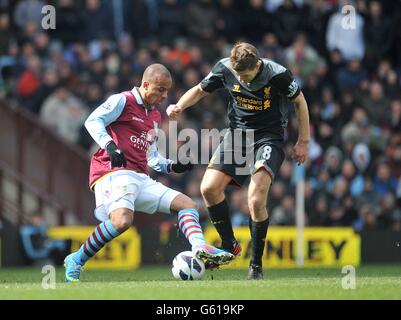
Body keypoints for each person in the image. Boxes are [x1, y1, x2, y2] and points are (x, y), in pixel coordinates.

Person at [64, 63, 234, 282]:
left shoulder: (154, 115)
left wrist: (173, 166)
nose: (165, 95)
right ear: (146, 84)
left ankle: (200, 247)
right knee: (122, 221)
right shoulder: (123, 100)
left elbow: (151, 157)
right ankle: (76, 260)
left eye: (167, 90)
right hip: (113, 171)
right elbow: (93, 120)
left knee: (187, 205)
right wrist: (110, 145)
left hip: (139, 175)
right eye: (160, 89)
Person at [167, 42, 310, 280]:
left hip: (268, 138)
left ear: (257, 64)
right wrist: (179, 106)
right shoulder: (225, 68)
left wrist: (303, 140)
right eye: (238, 76)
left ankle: (255, 265)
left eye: (246, 75)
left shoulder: (278, 74)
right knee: (208, 189)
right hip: (237, 136)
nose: (242, 80)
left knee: (255, 199)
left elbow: (300, 101)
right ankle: (229, 244)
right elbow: (200, 90)